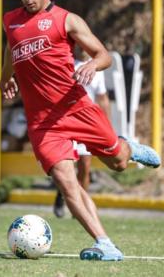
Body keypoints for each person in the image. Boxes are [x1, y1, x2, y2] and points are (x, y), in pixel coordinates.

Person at [0, 0, 160, 261]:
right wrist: (5, 77)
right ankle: (105, 244)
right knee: (67, 182)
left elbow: (104, 55)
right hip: (43, 124)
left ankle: (127, 148)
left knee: (119, 163)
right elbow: (11, 47)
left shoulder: (67, 20)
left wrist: (91, 64)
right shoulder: (11, 20)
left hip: (76, 108)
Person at [53, 53, 111, 218]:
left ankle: (80, 209)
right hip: (66, 121)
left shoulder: (95, 68)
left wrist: (107, 126)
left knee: (84, 167)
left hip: (87, 123)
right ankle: (61, 195)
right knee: (66, 166)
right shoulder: (67, 64)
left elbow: (103, 98)